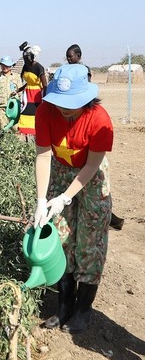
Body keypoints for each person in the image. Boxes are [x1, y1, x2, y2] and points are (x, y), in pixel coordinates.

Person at [33, 64, 113, 333]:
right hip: (60, 170)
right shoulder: (45, 112)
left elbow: (91, 167)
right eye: (60, 103)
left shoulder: (100, 120)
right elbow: (44, 155)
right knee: (62, 236)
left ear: (87, 99)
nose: (65, 109)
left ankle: (84, 308)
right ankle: (64, 304)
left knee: (90, 239)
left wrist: (66, 197)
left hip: (91, 177)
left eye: (72, 104)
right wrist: (42, 200)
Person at [64, 44, 123, 230]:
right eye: (67, 57)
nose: (68, 60)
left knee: (93, 208)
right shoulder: (66, 73)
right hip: (71, 158)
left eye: (71, 56)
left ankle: (110, 219)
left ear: (79, 56)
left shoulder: (83, 73)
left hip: (90, 159)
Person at [16, 44, 48, 140]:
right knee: (25, 115)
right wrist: (18, 90)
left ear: (31, 57)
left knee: (35, 116)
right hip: (27, 95)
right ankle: (26, 140)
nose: (25, 60)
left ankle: (37, 139)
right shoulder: (25, 66)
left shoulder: (39, 68)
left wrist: (44, 99)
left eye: (26, 58)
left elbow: (45, 85)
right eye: (24, 58)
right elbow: (27, 83)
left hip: (37, 95)